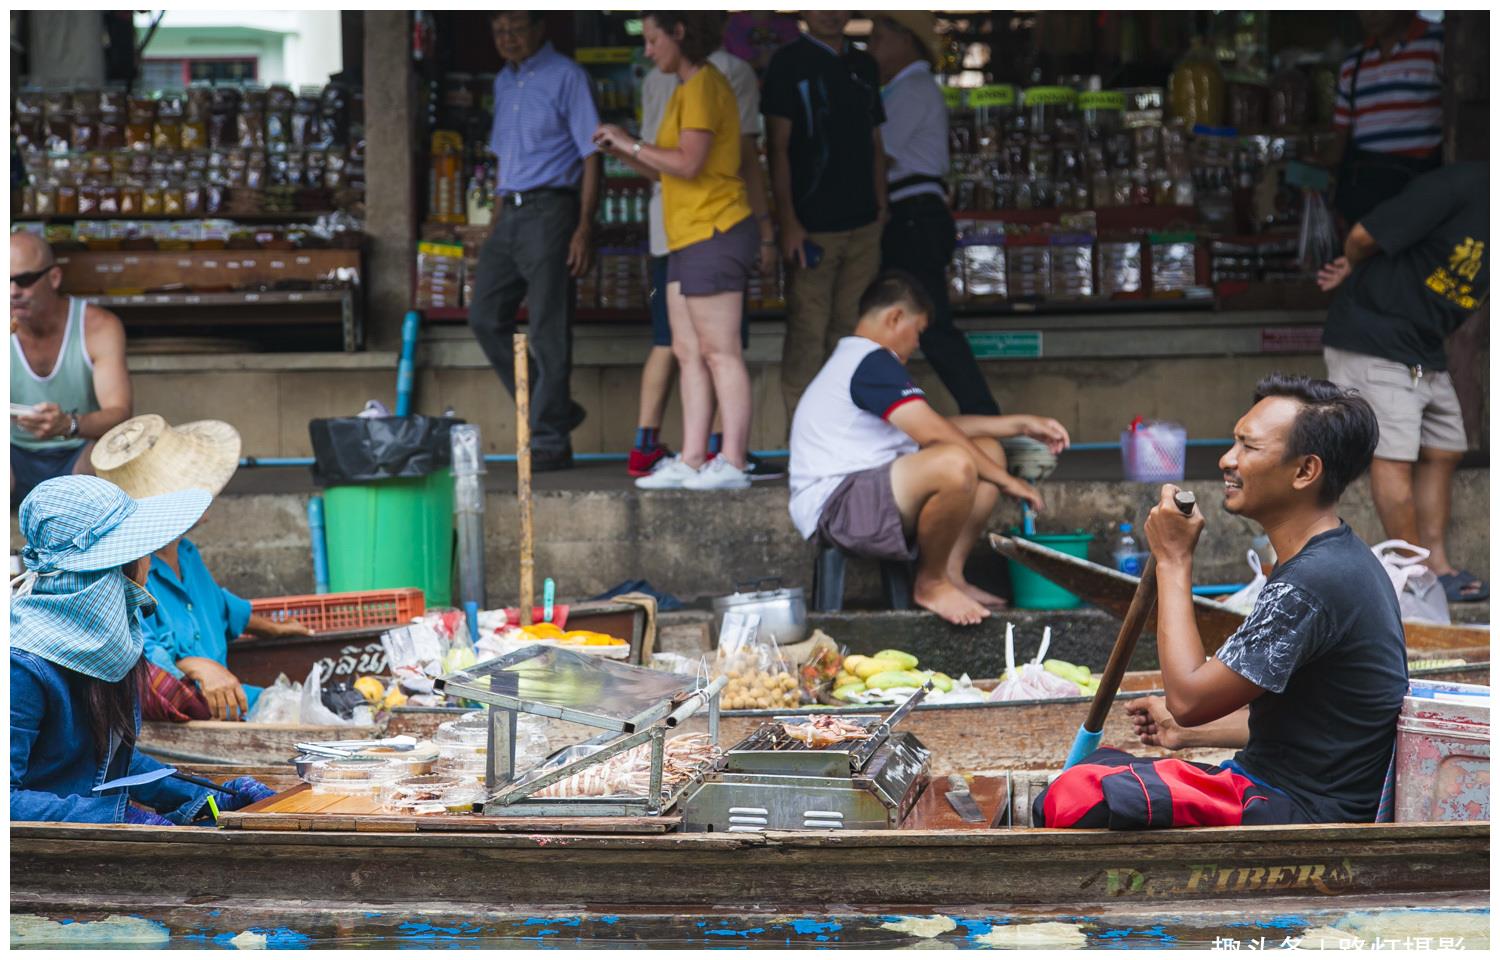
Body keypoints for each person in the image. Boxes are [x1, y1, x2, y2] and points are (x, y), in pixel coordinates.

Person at [1116, 375, 1408, 825]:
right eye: (1234, 442)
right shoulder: (1334, 557)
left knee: (1087, 789)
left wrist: (1174, 560)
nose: (1227, 460)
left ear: (1305, 471)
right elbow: (1303, 723)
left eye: (1248, 448)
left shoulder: (1313, 580)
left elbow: (1189, 698)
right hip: (1278, 791)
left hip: (1305, 814)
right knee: (1102, 770)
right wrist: (1185, 732)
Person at [788, 272, 1069, 626]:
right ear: (895, 318)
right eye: (917, 331)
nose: (917, 343)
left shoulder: (863, 362)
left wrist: (1018, 424)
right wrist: (1007, 482)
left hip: (867, 496)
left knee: (987, 450)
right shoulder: (870, 360)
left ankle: (951, 575)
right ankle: (930, 582)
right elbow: (937, 433)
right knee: (954, 463)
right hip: (838, 505)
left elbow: (939, 425)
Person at [11, 475, 274, 825]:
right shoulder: (21, 669)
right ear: (114, 566)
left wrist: (207, 796)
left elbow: (110, 760)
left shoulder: (108, 648)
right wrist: (118, 817)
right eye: (142, 549)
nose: (150, 560)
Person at [595, 12, 759, 492]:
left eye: (652, 40)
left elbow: (688, 164)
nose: (647, 51)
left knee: (720, 351)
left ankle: (732, 460)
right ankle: (690, 459)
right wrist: (624, 152)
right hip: (684, 234)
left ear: (679, 34)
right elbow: (665, 171)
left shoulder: (706, 84)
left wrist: (633, 141)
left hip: (716, 228)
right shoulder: (683, 90)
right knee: (688, 351)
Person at [1317, 162, 1488, 603]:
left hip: (1424, 348)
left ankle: (1437, 567)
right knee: (1392, 455)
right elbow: (1361, 236)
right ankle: (1414, 576)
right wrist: (1354, 268)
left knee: (1444, 448)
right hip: (1375, 336)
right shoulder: (1459, 184)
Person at [92, 415, 312, 721]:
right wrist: (194, 666)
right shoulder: (128, 571)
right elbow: (138, 654)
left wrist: (273, 628)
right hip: (184, 710)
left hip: (235, 702)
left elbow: (216, 604)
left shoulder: (186, 553)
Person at [467, 11, 601, 473]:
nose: (507, 39)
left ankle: (549, 438)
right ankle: (556, 408)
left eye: (516, 29)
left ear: (539, 29)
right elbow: (505, 161)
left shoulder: (567, 76)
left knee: (548, 327)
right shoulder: (505, 81)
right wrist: (495, 223)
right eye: (498, 31)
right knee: (485, 315)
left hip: (551, 211)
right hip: (511, 212)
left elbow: (591, 154)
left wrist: (584, 226)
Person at [867, 11, 998, 416]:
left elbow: (878, 155)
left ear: (906, 40)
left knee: (932, 325)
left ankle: (983, 414)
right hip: (913, 214)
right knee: (911, 321)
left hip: (913, 215)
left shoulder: (913, 89)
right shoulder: (901, 89)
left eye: (878, 38)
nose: (871, 49)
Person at [762, 10, 888, 423]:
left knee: (853, 333)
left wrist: (881, 207)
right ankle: (802, 433)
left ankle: (845, 428)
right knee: (808, 332)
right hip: (813, 225)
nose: (831, 13)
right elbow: (777, 148)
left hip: (864, 222)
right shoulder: (788, 62)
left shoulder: (864, 64)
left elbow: (875, 141)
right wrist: (789, 221)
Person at [11, 231, 132, 503]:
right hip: (12, 455)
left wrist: (69, 424)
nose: (12, 291)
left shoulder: (98, 326)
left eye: (24, 280)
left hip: (78, 453)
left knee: (112, 452)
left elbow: (120, 413)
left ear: (53, 278)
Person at [1329, 11, 1444, 225]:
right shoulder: (1353, 65)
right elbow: (1340, 136)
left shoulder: (1438, 44)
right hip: (1368, 193)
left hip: (1424, 192)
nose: (1369, 13)